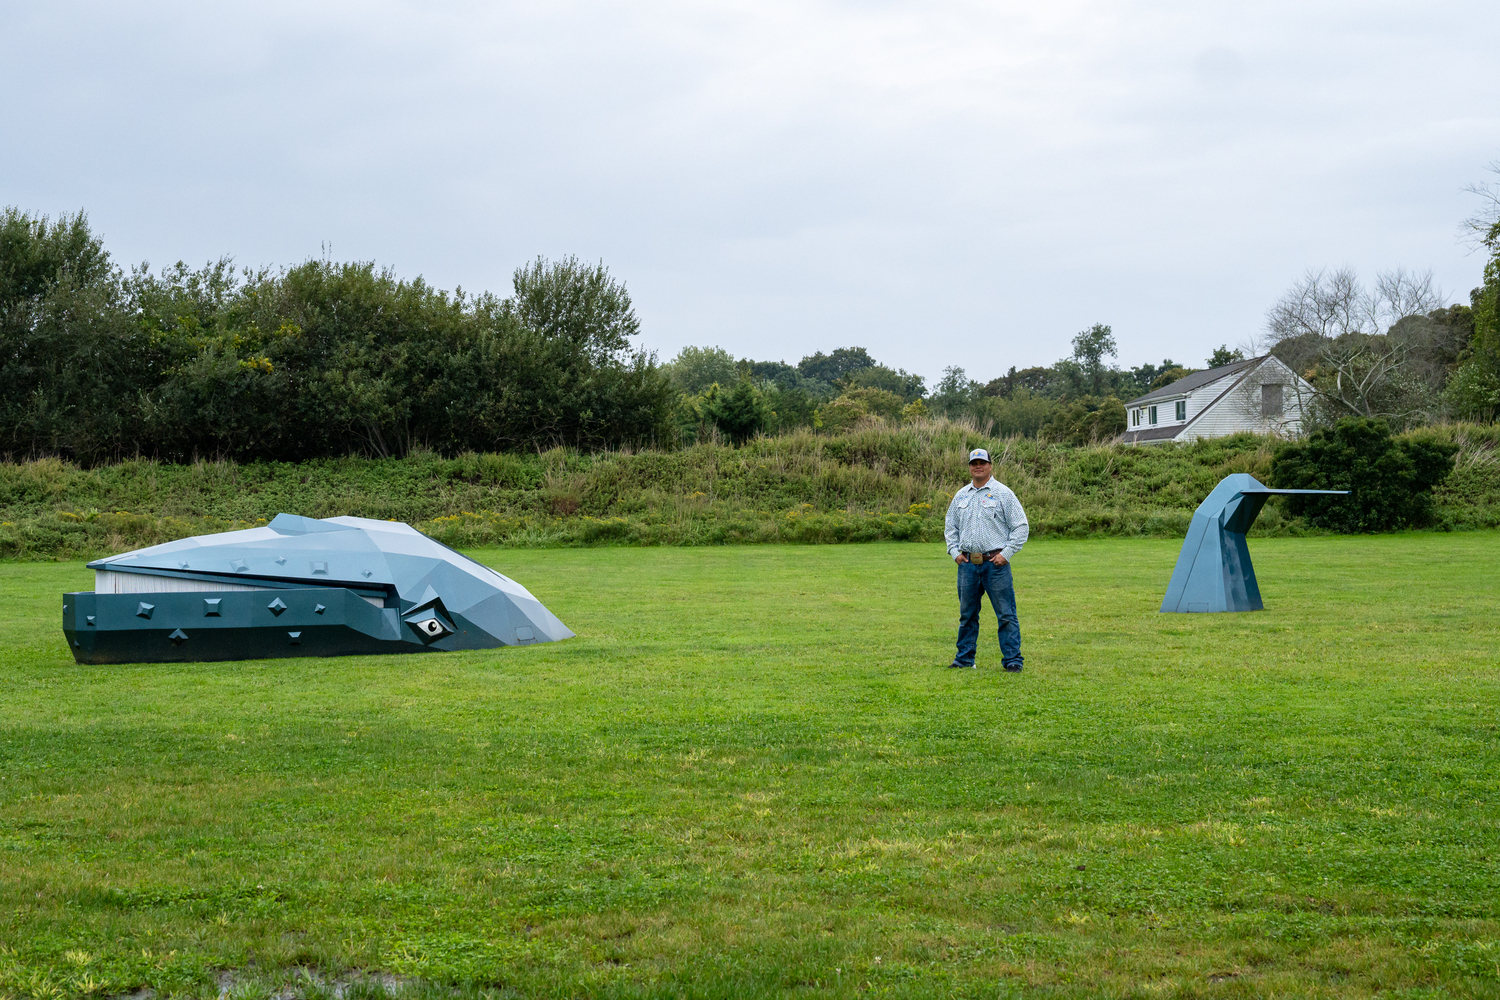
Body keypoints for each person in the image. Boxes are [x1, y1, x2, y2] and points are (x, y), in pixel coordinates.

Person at [943, 447, 1029, 671]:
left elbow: (1021, 527)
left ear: (990, 466)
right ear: (969, 468)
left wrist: (1006, 554)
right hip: (968, 565)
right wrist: (955, 553)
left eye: (982, 462)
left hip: (995, 564)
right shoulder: (961, 495)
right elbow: (950, 527)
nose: (977, 466)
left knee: (1006, 614)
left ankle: (1012, 660)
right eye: (973, 463)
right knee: (967, 615)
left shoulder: (1003, 493)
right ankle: (964, 659)